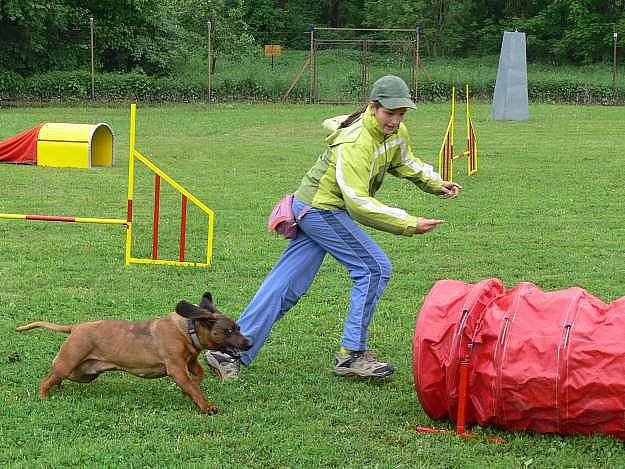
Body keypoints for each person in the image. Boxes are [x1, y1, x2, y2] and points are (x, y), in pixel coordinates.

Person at [205, 75, 462, 380]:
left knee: (284, 287)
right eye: (389, 113)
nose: (395, 121)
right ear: (373, 107)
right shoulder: (355, 142)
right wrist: (408, 224)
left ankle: (227, 353)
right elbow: (357, 201)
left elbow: (405, 161)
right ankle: (351, 355)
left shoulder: (395, 132)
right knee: (374, 268)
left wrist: (435, 183)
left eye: (400, 114)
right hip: (321, 209)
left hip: (313, 207)